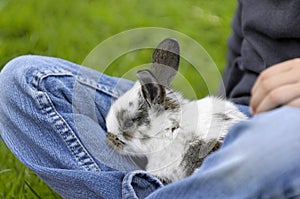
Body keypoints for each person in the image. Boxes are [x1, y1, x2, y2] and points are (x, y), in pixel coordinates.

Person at [1, 0, 300, 198]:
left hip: (284, 125)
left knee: (273, 151)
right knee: (23, 81)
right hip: (242, 113)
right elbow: (243, 49)